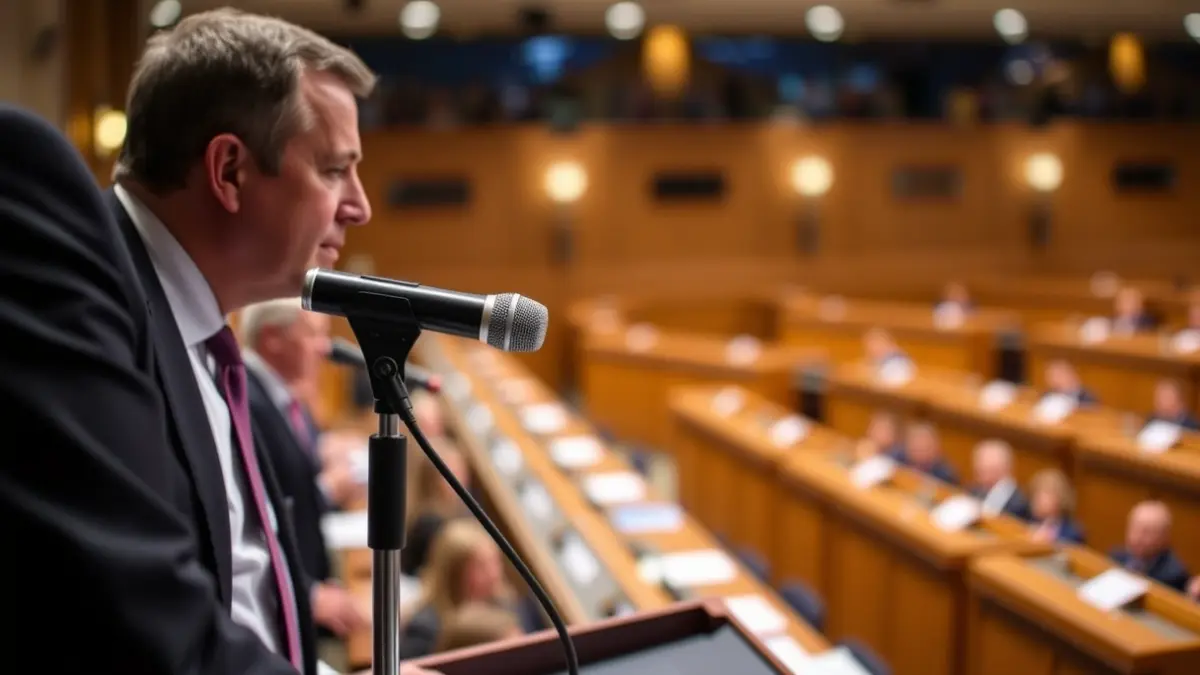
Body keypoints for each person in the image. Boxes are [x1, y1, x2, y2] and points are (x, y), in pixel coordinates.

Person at [0, 10, 433, 675]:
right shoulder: (75, 271)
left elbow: (244, 605)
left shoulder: (209, 344)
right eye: (333, 169)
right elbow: (135, 617)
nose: (360, 205)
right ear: (229, 169)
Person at [240, 298, 366, 638]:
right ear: (272, 338)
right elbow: (254, 515)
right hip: (283, 597)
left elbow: (289, 466)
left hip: (303, 576)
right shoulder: (246, 399)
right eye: (313, 334)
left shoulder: (280, 392)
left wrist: (325, 450)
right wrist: (306, 591)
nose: (325, 348)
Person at [401, 520, 514, 660]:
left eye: (495, 562)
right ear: (453, 573)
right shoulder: (424, 631)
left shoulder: (505, 607)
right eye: (481, 566)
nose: (494, 574)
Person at [1109, 501, 1191, 592]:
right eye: (1135, 528)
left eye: (1146, 532)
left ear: (1164, 537)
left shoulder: (1173, 575)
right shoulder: (1116, 556)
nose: (1137, 537)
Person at [968, 440, 1030, 520]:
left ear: (1003, 469)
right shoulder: (976, 490)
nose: (977, 469)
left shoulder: (1018, 503)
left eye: (984, 470)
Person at [1025, 469, 1085, 545]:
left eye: (1041, 495)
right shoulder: (1030, 520)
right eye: (1035, 495)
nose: (1035, 501)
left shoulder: (1073, 533)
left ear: (1058, 498)